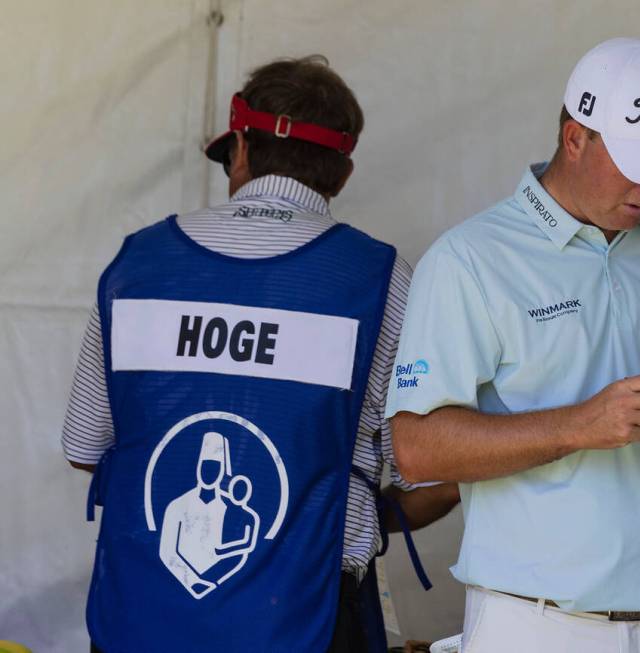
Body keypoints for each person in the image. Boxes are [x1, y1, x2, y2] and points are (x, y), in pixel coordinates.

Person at [386, 38, 640, 653]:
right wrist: (578, 426)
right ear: (576, 137)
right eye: (636, 161)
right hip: (536, 626)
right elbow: (416, 450)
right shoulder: (470, 260)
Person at [62, 55, 459, 653]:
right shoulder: (381, 280)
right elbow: (422, 476)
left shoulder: (136, 267)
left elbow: (83, 449)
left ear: (240, 150)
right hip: (311, 620)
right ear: (343, 172)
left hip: (141, 621)